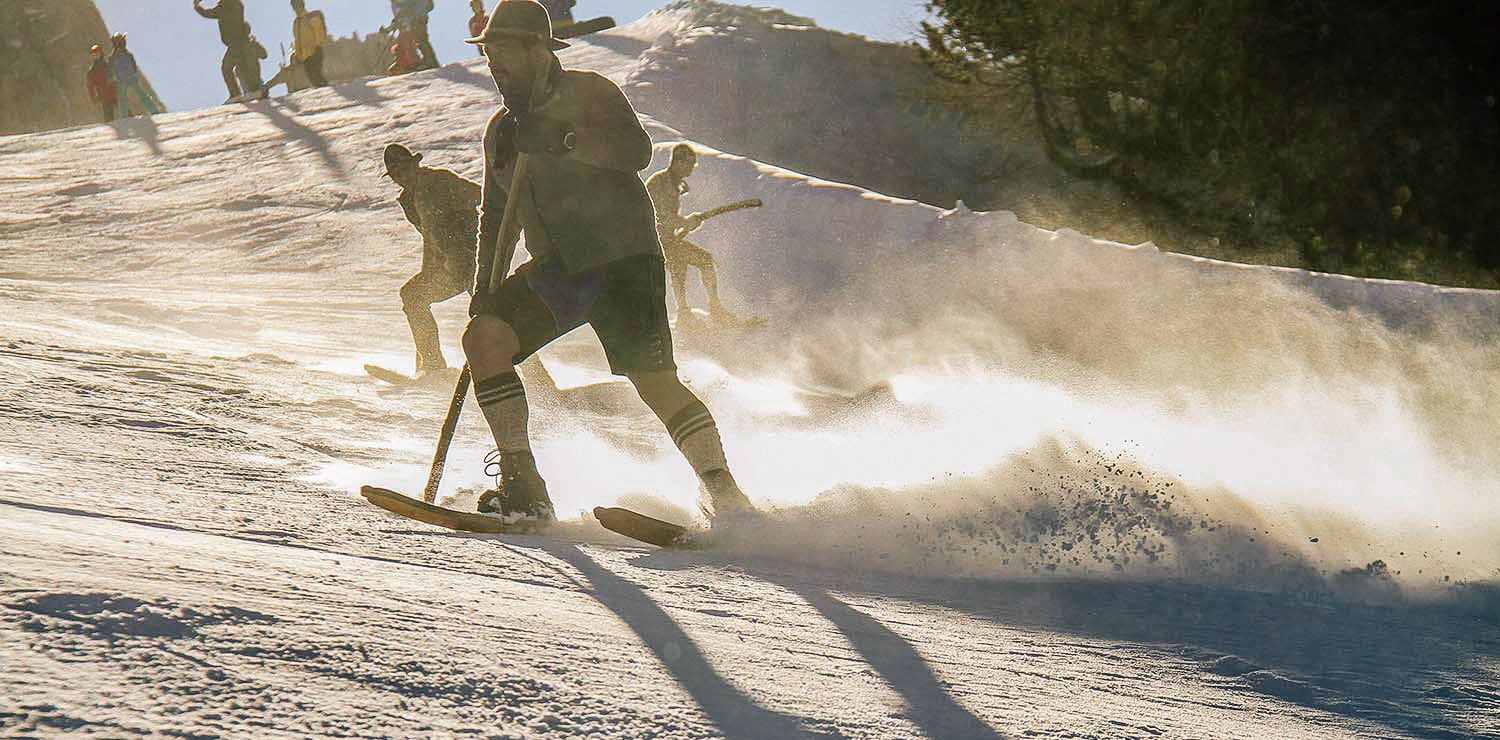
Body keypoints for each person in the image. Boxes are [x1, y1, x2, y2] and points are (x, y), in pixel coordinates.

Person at [461, 1, 754, 523]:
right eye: (488, 53)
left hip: (622, 261)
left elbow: (634, 151)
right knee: (485, 336)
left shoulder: (589, 92)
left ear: (537, 49)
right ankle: (525, 487)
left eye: (502, 50)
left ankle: (727, 497)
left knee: (654, 380)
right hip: (559, 271)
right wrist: (484, 286)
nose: (493, 63)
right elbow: (496, 212)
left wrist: (565, 139)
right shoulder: (502, 131)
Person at [382, 144, 482, 374]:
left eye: (404, 170)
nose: (401, 177)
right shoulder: (409, 200)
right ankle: (433, 367)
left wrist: (478, 239)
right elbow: (431, 238)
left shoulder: (441, 180)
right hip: (450, 268)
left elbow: (483, 197)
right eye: (396, 175)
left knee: (494, 315)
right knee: (413, 295)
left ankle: (538, 380)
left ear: (415, 164)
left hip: (474, 262)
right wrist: (430, 270)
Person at [645, 144, 734, 319]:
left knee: (681, 264)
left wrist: (686, 223)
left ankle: (685, 311)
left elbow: (667, 218)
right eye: (689, 163)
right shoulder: (662, 183)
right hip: (657, 241)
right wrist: (685, 222)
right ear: (678, 162)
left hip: (662, 240)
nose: (692, 168)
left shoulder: (672, 182)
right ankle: (705, 310)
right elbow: (660, 216)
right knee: (703, 260)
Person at [193, 0, 266, 101]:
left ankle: (238, 93)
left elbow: (210, 13)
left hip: (235, 43)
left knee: (227, 67)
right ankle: (252, 90)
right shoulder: (236, 4)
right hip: (238, 42)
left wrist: (197, 6)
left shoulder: (226, 5)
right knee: (242, 66)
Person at [107, 34, 161, 117]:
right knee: (126, 98)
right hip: (123, 79)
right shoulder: (115, 57)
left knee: (137, 96)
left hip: (128, 78)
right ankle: (152, 111)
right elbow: (111, 69)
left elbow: (133, 66)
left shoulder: (124, 55)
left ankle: (153, 111)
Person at [290, 0, 329, 87]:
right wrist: (297, 54)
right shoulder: (296, 23)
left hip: (314, 51)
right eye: (294, 6)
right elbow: (297, 40)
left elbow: (319, 30)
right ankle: (325, 94)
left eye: (297, 5)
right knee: (312, 78)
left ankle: (327, 91)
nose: (296, 8)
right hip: (304, 57)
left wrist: (318, 45)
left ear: (302, 5)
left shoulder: (311, 16)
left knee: (316, 75)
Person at [390, 0, 439, 70]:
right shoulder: (396, 4)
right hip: (412, 20)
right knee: (412, 40)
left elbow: (412, 6)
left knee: (420, 39)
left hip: (416, 19)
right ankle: (410, 62)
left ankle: (429, 62)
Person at [86, 44, 118, 121]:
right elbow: (90, 85)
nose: (95, 56)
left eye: (97, 53)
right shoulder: (92, 71)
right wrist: (93, 97)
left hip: (113, 91)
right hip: (104, 95)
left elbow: (115, 76)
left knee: (124, 109)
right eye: (93, 54)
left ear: (101, 53)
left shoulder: (108, 65)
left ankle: (134, 123)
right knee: (108, 115)